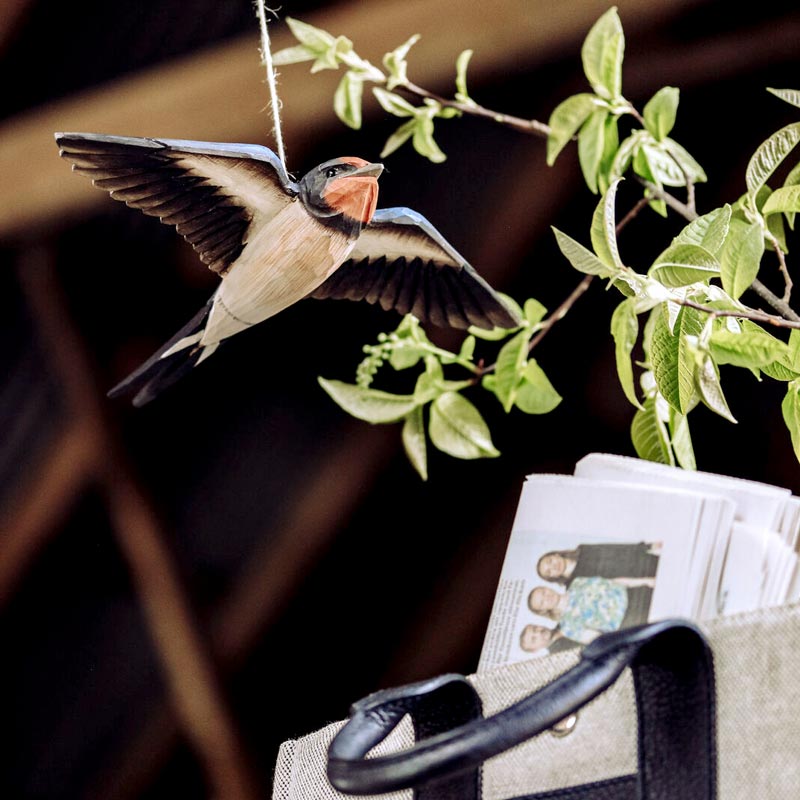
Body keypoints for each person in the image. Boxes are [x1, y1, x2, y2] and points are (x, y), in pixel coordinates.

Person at [527, 577, 636, 645]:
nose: (546, 597)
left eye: (543, 592)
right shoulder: (567, 627)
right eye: (542, 602)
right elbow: (600, 640)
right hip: (632, 619)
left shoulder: (577, 582)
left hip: (637, 591)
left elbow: (612, 582)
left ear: (547, 588)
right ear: (543, 611)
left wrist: (646, 581)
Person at [536, 542, 660, 587]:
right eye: (549, 571)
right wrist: (645, 581)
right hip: (640, 584)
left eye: (549, 561)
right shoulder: (574, 586)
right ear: (552, 578)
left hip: (642, 560)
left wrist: (648, 546)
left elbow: (613, 548)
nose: (553, 567)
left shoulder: (582, 549)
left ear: (556, 554)